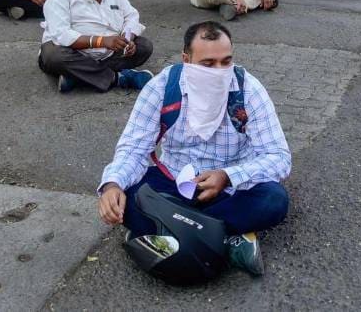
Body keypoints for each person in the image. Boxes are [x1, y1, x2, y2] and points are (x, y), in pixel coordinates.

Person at [97, 21, 291, 277]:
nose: (219, 71)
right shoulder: (162, 87)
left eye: (226, 61)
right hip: (174, 181)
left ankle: (168, 231)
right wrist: (112, 185)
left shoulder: (248, 90)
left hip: (231, 188)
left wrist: (228, 176)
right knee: (128, 199)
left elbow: (278, 157)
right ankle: (229, 238)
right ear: (186, 60)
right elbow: (134, 148)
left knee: (273, 200)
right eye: (208, 64)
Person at [39, 0, 154, 93]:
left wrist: (128, 39)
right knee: (54, 56)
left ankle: (79, 77)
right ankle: (119, 78)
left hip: (109, 52)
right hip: (74, 52)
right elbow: (62, 35)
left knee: (144, 47)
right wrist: (101, 41)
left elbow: (131, 15)